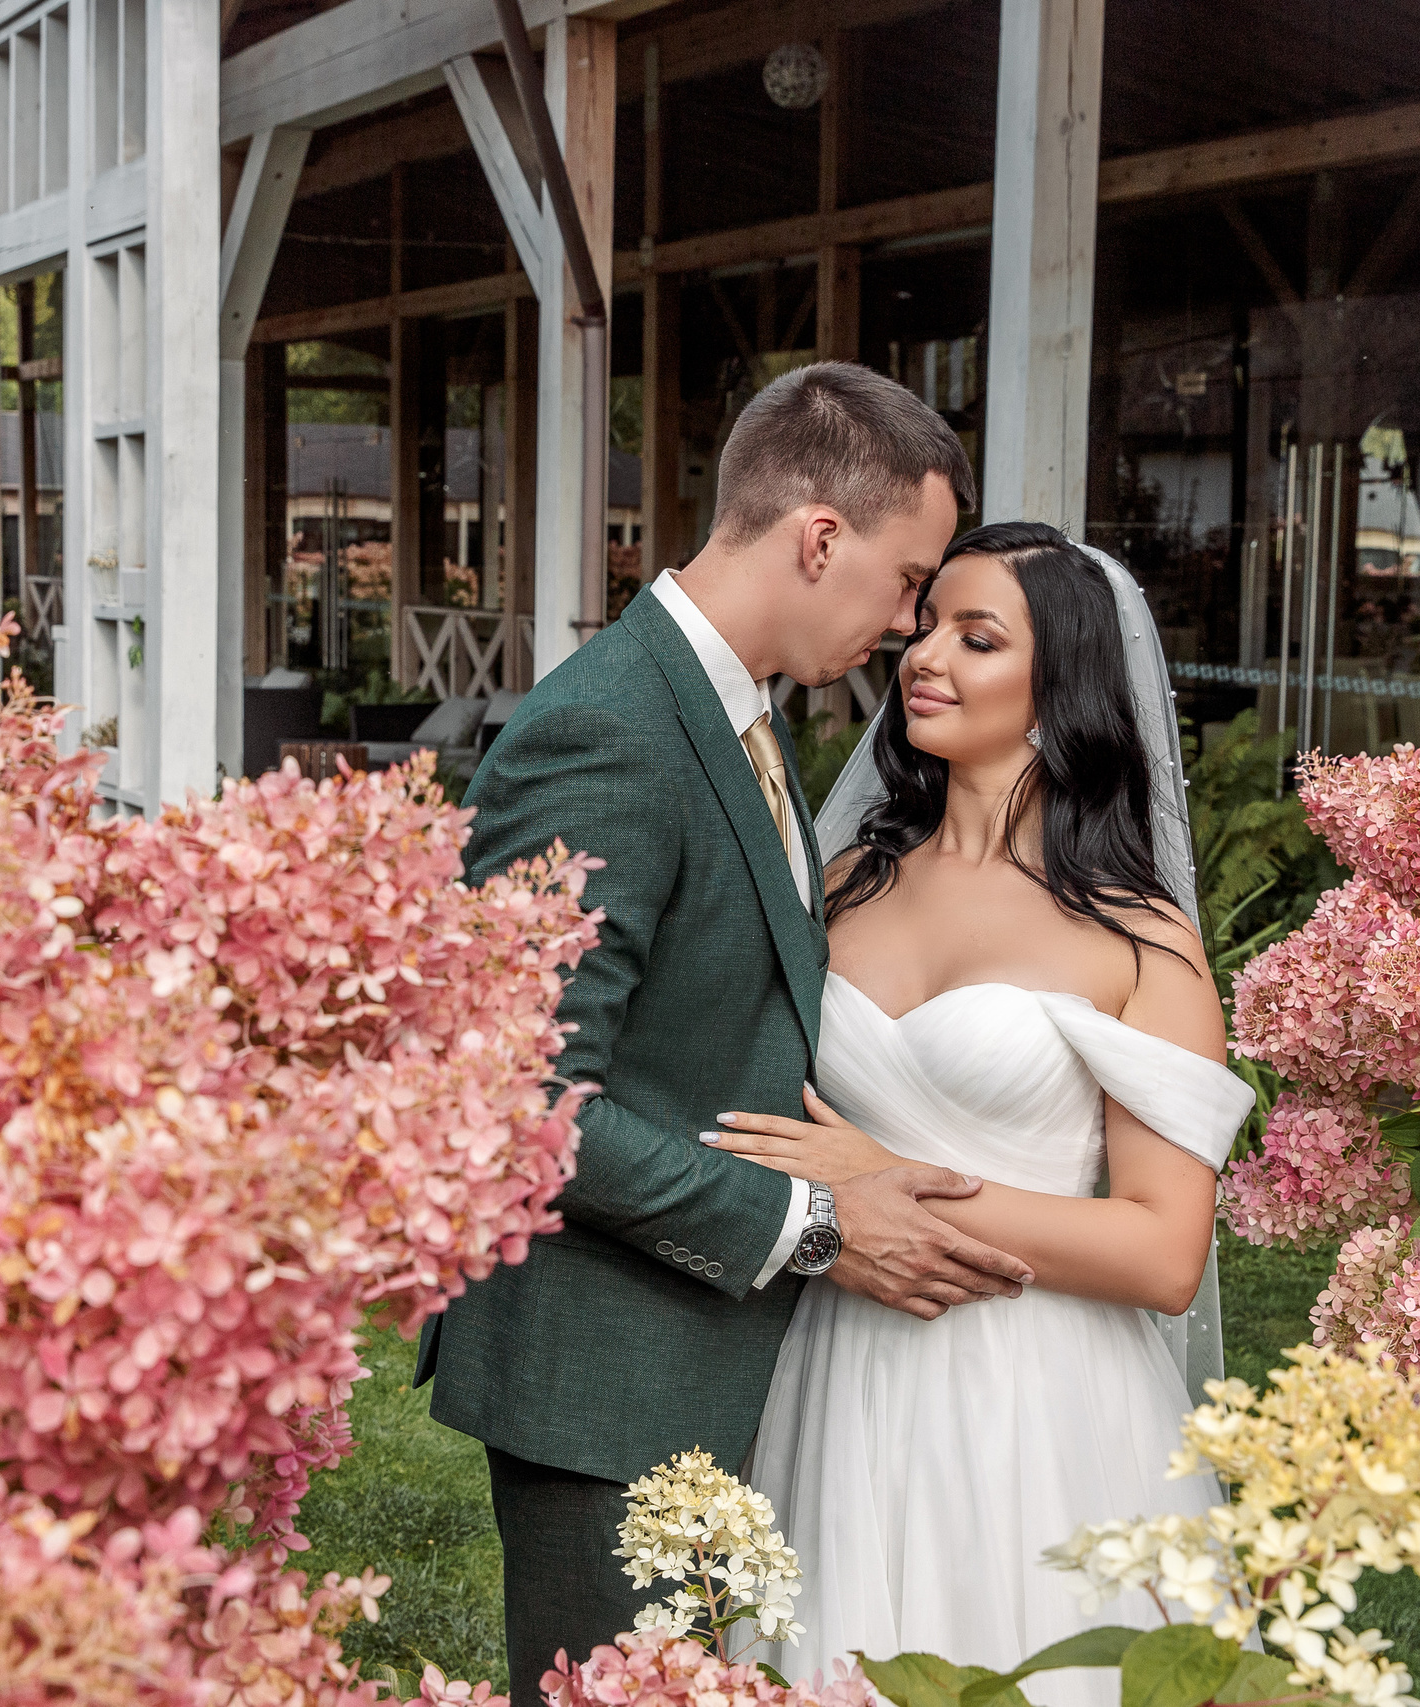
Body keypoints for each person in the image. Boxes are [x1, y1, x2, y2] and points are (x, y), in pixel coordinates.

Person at [414, 363, 1035, 1690]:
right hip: (605, 1390)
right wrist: (811, 1221)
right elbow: (523, 1100)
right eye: (907, 576)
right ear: (820, 537)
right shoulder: (606, 727)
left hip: (700, 1368)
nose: (912, 622)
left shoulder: (740, 710)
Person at [705, 522, 1256, 1706]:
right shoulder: (842, 883)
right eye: (926, 623)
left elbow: (1165, 1252)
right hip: (836, 1364)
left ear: (1059, 685)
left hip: (1035, 1395)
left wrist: (880, 1178)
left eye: (977, 635)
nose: (922, 654)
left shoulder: (1134, 936)